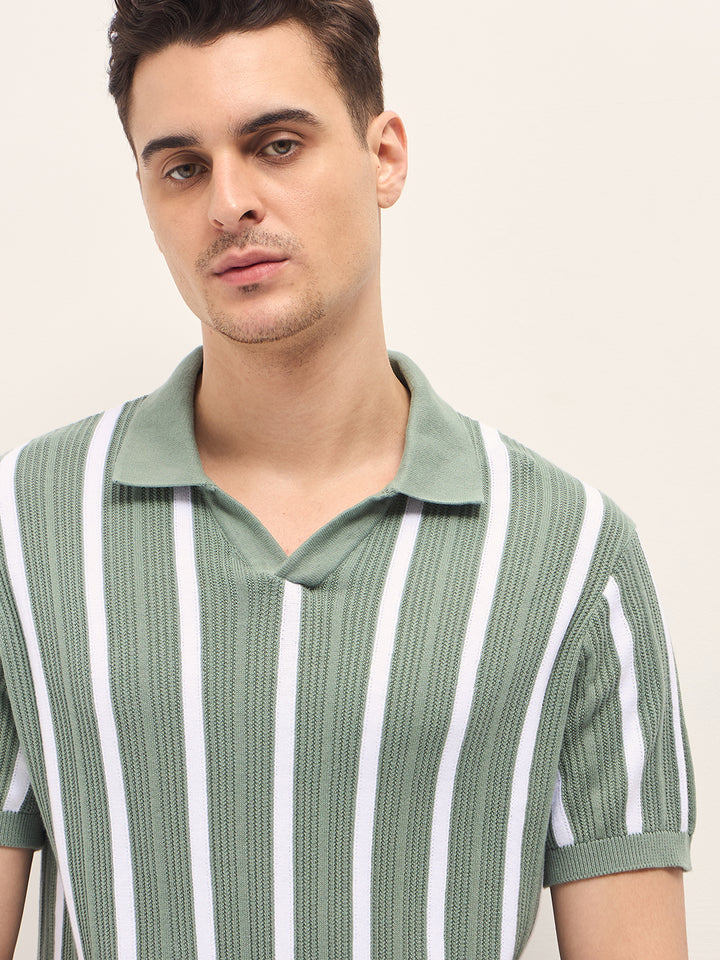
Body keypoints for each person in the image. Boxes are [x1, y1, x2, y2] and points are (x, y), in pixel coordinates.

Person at [0, 1, 694, 958]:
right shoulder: (27, 528)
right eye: (183, 167)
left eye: (277, 145)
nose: (228, 204)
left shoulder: (570, 553)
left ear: (385, 157)